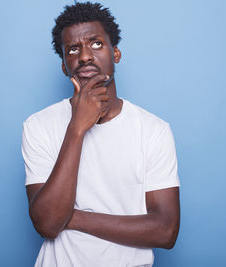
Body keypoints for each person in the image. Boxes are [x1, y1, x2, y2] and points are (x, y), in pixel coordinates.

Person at [21, 2, 180, 266]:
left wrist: (72, 217)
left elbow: (165, 231)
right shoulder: (38, 125)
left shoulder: (153, 130)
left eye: (96, 44)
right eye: (73, 49)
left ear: (115, 53)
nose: (84, 56)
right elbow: (48, 225)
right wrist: (77, 127)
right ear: (64, 65)